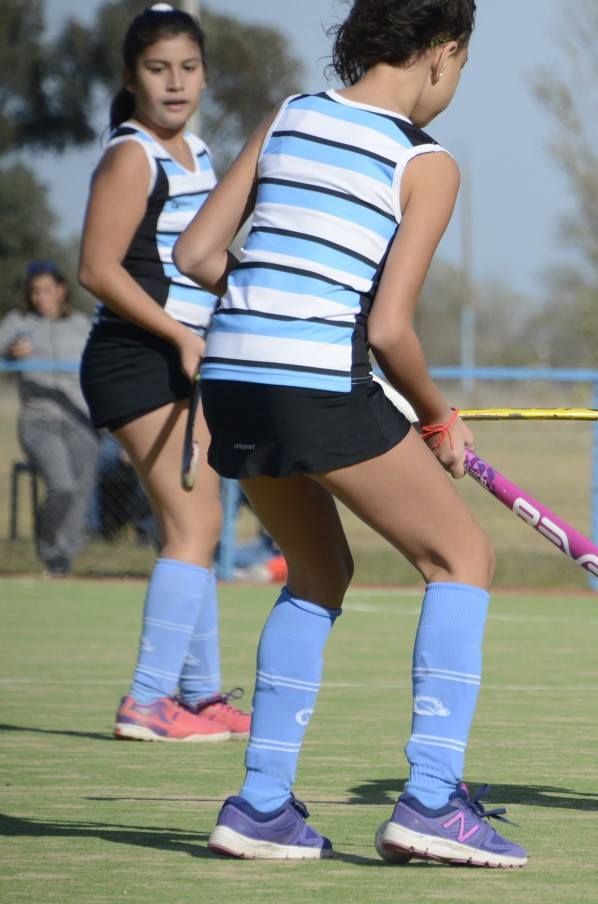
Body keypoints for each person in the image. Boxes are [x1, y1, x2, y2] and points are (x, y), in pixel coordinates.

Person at [174, 0, 525, 866]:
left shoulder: (290, 114)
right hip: (313, 384)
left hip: (232, 376)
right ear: (443, 53)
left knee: (321, 571)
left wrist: (276, 304)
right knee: (463, 559)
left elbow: (195, 256)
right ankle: (433, 800)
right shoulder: (426, 162)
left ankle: (260, 805)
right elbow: (391, 330)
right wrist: (441, 419)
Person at [78, 4, 249, 743]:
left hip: (182, 355)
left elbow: (202, 262)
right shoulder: (131, 155)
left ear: (205, 73)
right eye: (157, 69)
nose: (174, 83)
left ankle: (201, 696)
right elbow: (96, 268)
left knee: (197, 527)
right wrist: (179, 334)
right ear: (130, 77)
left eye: (187, 67)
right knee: (195, 522)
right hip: (134, 356)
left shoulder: (200, 155)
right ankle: (147, 701)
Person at [0, 261, 96, 575]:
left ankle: (63, 557)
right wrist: (9, 353)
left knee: (80, 490)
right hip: (38, 420)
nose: (41, 297)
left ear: (61, 290)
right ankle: (48, 545)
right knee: (62, 485)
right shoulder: (18, 322)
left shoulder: (81, 324)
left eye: (47, 290)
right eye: (35, 291)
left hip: (79, 418)